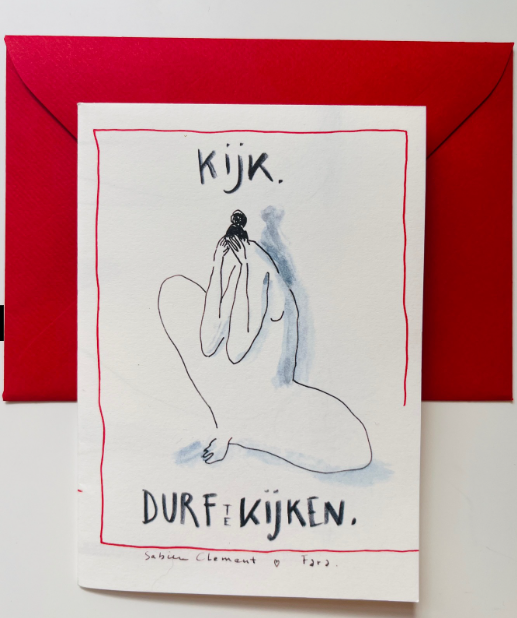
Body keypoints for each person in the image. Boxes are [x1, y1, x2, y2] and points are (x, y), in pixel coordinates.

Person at [158, 210, 372, 473]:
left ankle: (233, 428)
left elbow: (242, 347)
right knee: (177, 292)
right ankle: (230, 428)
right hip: (243, 394)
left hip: (261, 390)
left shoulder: (264, 281)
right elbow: (213, 340)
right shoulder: (235, 268)